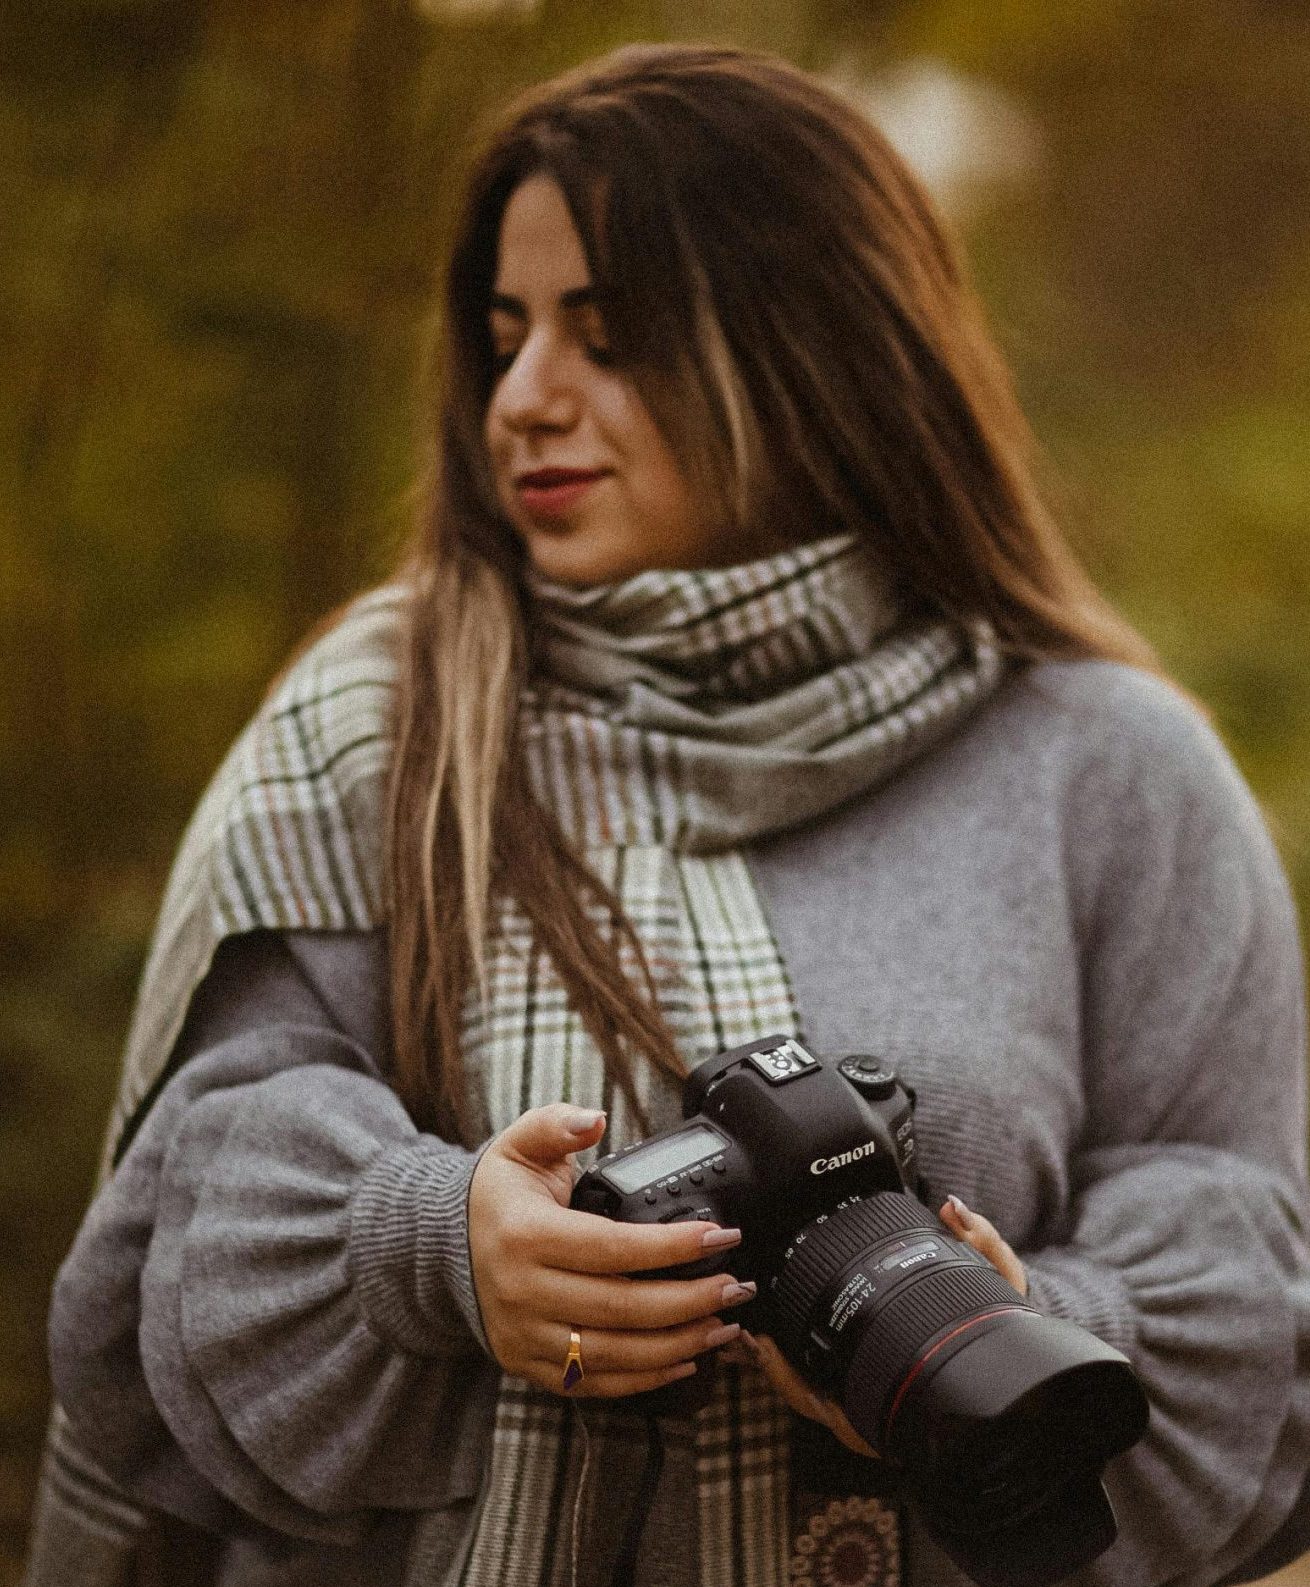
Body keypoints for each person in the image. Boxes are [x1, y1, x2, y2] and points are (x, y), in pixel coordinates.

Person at [24, 41, 1309, 1587]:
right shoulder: (383, 733)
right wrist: (444, 1245)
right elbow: (192, 1209)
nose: (521, 402)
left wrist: (1000, 1346)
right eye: (504, 339)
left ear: (812, 346)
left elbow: (1244, 1262)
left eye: (608, 337)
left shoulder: (1105, 764)